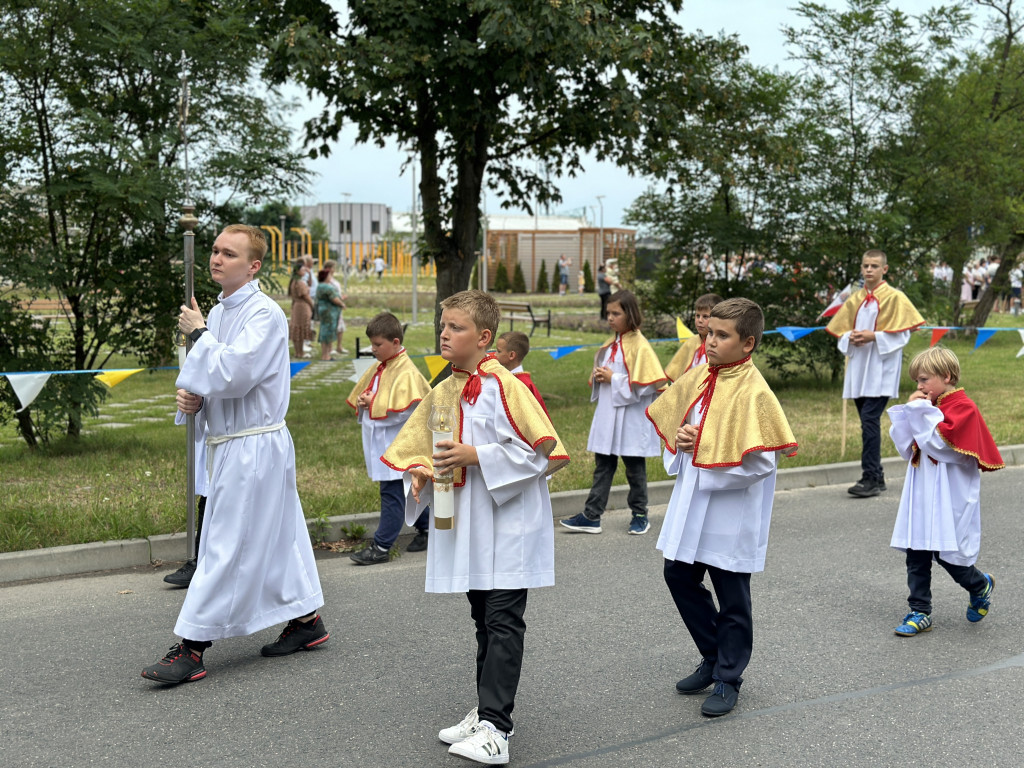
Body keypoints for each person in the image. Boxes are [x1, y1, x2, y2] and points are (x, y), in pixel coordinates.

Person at [381, 290, 568, 766]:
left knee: (504, 621)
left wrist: (477, 455)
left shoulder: (507, 387)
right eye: (442, 325)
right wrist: (422, 469)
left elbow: (541, 453)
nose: (444, 332)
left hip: (509, 523)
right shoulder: (445, 388)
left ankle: (498, 730)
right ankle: (488, 709)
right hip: (469, 523)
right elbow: (429, 444)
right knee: (482, 616)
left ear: (484, 337)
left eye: (457, 327)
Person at [142, 224, 327, 685]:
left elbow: (236, 373)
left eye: (229, 253)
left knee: (222, 544)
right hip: (230, 444)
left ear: (254, 265)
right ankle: (307, 622)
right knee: (279, 536)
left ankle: (192, 647)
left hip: (255, 445)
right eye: (215, 250)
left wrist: (200, 335)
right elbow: (206, 379)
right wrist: (193, 399)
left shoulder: (264, 315)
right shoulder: (219, 314)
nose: (217, 258)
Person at [647, 297, 797, 717]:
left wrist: (705, 451)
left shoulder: (755, 392)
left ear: (747, 343)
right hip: (693, 502)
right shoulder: (699, 378)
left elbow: (762, 462)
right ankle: (713, 655)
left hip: (732, 511)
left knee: (733, 595)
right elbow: (681, 435)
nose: (710, 341)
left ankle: (729, 677)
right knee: (677, 574)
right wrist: (680, 444)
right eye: (709, 332)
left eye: (721, 335)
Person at [887, 347, 1004, 637]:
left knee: (946, 554)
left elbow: (940, 445)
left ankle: (978, 584)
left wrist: (919, 410)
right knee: (916, 552)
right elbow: (907, 446)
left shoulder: (963, 407)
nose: (920, 386)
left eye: (924, 379)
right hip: (921, 491)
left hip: (949, 494)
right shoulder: (929, 407)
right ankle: (920, 611)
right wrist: (911, 412)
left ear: (947, 376)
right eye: (917, 381)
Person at [560, 289, 667, 535]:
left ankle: (640, 514)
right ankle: (591, 515)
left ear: (630, 314)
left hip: (630, 418)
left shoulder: (640, 346)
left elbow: (648, 384)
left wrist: (614, 378)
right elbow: (608, 375)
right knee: (603, 465)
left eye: (615, 313)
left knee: (634, 467)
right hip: (609, 416)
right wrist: (601, 376)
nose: (610, 318)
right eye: (608, 313)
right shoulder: (612, 345)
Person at [826, 250, 924, 498]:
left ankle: (869, 476)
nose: (869, 270)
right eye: (865, 266)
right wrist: (851, 337)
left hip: (881, 370)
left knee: (870, 420)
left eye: (874, 266)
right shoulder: (855, 298)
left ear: (884, 269)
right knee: (866, 421)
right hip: (859, 368)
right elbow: (842, 332)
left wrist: (874, 337)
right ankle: (877, 476)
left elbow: (902, 334)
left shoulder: (895, 297)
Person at [345, 312, 431, 564]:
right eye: (371, 344)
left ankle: (381, 547)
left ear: (395, 342)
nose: (373, 350)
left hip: (396, 445)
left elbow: (407, 410)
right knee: (404, 491)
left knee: (392, 492)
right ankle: (427, 529)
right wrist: (364, 400)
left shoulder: (406, 372)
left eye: (377, 344)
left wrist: (374, 402)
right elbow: (375, 396)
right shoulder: (382, 367)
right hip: (384, 443)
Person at [664, 293, 723, 382]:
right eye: (697, 316)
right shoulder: (691, 342)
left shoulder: (722, 344)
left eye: (705, 316)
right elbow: (678, 372)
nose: (699, 320)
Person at [495, 330, 549, 417]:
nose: (495, 354)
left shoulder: (523, 384)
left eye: (499, 351)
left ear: (511, 355)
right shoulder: (508, 378)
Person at [315, 264, 344, 361]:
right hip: (329, 311)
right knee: (328, 332)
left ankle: (325, 354)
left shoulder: (320, 286)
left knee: (324, 330)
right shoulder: (327, 287)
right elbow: (334, 298)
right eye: (329, 276)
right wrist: (342, 304)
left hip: (323, 310)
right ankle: (326, 355)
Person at [288, 259, 314, 359]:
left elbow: (310, 284)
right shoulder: (299, 283)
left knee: (297, 328)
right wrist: (312, 305)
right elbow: (306, 296)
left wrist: (309, 274)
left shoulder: (295, 281)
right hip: (302, 307)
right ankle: (300, 352)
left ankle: (298, 352)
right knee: (301, 328)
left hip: (296, 306)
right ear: (297, 271)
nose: (304, 271)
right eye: (303, 269)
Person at [324, 259, 349, 355]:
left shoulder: (334, 280)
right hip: (330, 306)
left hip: (337, 306)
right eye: (333, 267)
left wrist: (341, 298)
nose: (334, 269)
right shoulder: (325, 280)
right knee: (331, 327)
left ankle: (339, 346)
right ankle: (330, 348)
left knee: (340, 327)